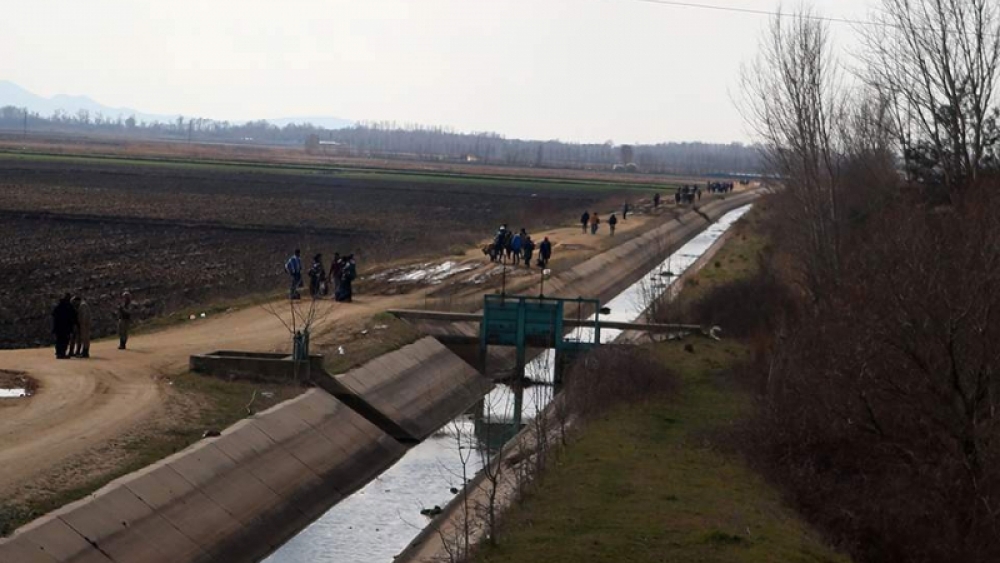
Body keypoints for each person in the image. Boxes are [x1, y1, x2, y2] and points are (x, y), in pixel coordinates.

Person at [52, 293, 77, 360]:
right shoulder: (69, 306)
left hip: (58, 327)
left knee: (59, 340)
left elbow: (54, 314)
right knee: (64, 341)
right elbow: (73, 316)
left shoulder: (59, 306)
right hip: (66, 328)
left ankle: (58, 353)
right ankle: (62, 353)